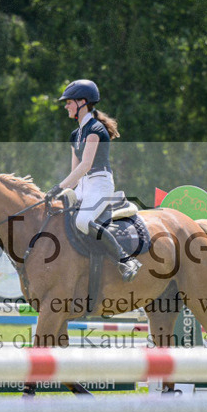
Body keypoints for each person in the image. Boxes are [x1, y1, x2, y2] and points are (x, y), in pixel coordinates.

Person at [45, 79, 141, 281]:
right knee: (58, 213)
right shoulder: (75, 134)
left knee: (82, 220)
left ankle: (125, 260)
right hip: (83, 184)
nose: (66, 106)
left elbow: (86, 164)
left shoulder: (96, 129)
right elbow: (75, 172)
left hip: (100, 183)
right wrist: (59, 192)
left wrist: (58, 186)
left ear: (82, 102)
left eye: (69, 102)